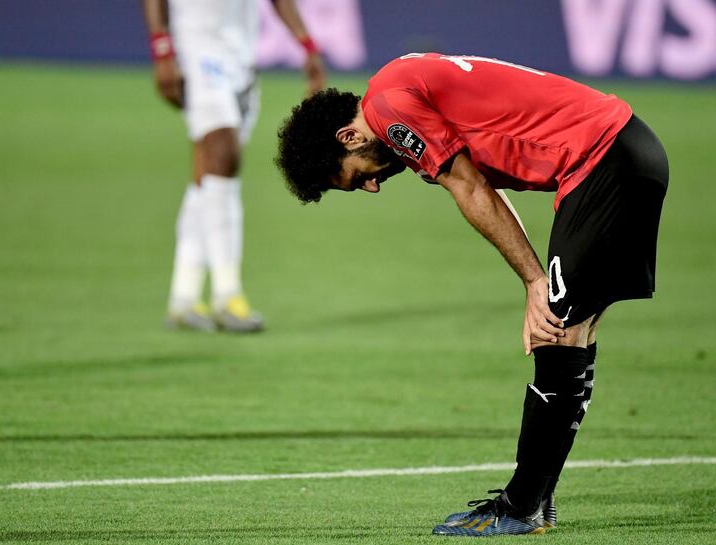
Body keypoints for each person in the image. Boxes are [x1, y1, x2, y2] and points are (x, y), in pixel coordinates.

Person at [276, 53, 668, 536]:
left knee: (556, 331)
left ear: (349, 137)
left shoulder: (389, 112)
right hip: (620, 153)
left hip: (603, 159)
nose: (374, 186)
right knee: (570, 332)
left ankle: (521, 504)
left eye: (359, 177)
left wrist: (533, 280)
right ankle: (534, 500)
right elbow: (481, 183)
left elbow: (470, 188)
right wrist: (535, 277)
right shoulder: (397, 91)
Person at [142, 0, 326, 332]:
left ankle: (183, 296)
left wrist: (306, 44)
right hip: (197, 49)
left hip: (241, 59)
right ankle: (228, 295)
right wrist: (162, 49)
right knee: (223, 156)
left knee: (210, 178)